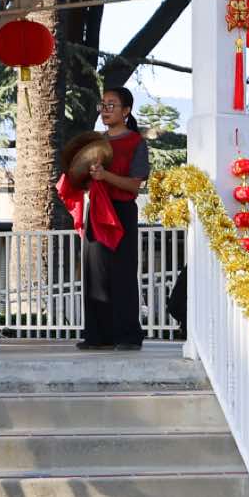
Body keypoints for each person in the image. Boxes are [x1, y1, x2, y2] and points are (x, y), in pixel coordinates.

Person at [70, 85, 148, 352]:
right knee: (95, 273)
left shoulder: (136, 142)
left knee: (122, 272)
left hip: (122, 211)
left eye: (111, 105)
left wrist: (105, 176)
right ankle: (98, 335)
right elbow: (83, 178)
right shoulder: (94, 142)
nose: (105, 110)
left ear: (126, 111)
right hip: (97, 210)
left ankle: (127, 335)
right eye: (102, 105)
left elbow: (135, 185)